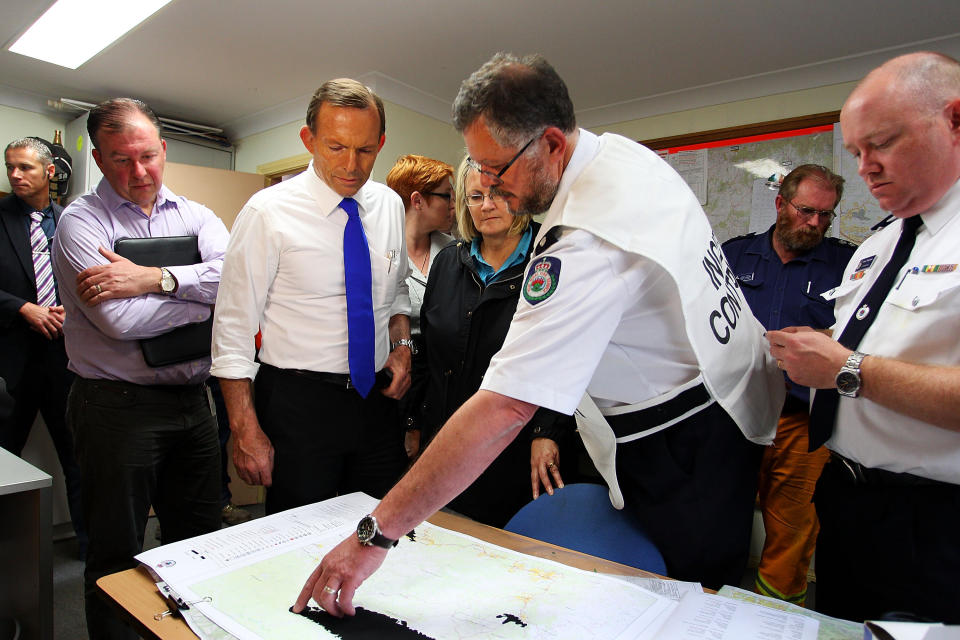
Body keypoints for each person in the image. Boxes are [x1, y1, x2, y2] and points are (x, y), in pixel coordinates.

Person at [295, 53, 783, 616]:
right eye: (477, 170)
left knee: (688, 603)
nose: (487, 185)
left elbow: (504, 407)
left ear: (551, 143)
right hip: (720, 398)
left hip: (684, 438)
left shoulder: (584, 239)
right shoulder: (620, 154)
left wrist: (373, 536)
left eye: (496, 168)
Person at [766, 52, 960, 623]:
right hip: (849, 499)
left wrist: (847, 370)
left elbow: (858, 367)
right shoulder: (879, 246)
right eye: (856, 153)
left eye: (883, 143)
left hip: (934, 521)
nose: (866, 168)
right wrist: (822, 346)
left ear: (954, 119)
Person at [51, 98, 229, 640]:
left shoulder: (198, 215)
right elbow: (121, 321)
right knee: (116, 552)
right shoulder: (81, 223)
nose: (140, 171)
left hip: (196, 404)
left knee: (200, 542)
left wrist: (157, 279)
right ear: (100, 160)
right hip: (116, 410)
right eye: (122, 160)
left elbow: (237, 285)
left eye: (148, 155)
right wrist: (203, 294)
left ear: (164, 149)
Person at [211, 79, 412, 516]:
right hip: (298, 403)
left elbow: (396, 291)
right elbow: (232, 330)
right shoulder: (267, 213)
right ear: (309, 140)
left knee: (383, 530)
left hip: (376, 402)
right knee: (295, 539)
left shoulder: (390, 206)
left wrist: (401, 346)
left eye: (365, 150)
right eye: (337, 147)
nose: (353, 165)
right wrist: (245, 429)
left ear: (380, 143)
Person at [411, 157, 577, 527]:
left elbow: (569, 356)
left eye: (499, 193)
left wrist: (547, 431)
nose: (487, 205)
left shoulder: (552, 259)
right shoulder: (448, 263)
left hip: (516, 446)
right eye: (476, 196)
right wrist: (414, 422)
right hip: (447, 441)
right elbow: (428, 353)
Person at [722, 165, 855, 606]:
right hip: (735, 417)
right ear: (781, 205)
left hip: (803, 423)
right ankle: (710, 611)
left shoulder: (847, 264)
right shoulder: (733, 256)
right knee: (721, 515)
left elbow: (863, 340)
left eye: (825, 215)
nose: (815, 223)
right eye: (806, 211)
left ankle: (775, 620)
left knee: (792, 532)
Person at [1, 137, 85, 551]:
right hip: (11, 361)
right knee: (3, 458)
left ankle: (92, 551)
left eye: (25, 168)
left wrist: (74, 311)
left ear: (50, 172)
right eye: (10, 167)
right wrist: (22, 308)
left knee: (78, 460)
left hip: (65, 360)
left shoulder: (72, 222)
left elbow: (86, 283)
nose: (15, 175)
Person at [384, 154, 455, 458]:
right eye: (446, 197)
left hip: (439, 380)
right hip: (393, 381)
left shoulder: (453, 251)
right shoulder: (382, 249)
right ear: (417, 200)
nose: (454, 206)